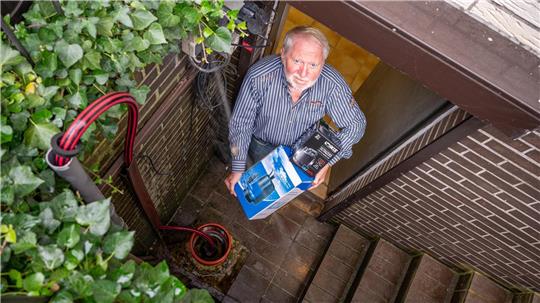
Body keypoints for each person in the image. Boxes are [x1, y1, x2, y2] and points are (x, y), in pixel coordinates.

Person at [225, 26, 366, 196]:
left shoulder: (331, 84)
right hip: (261, 145)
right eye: (297, 61)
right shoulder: (260, 76)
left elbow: (356, 124)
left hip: (303, 152)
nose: (304, 73)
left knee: (281, 192)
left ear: (323, 62)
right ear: (284, 54)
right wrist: (238, 167)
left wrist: (327, 159)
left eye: (313, 65)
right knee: (255, 187)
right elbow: (241, 122)